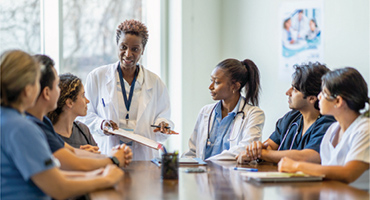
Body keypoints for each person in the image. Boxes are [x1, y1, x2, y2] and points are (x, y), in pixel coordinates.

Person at [0, 50, 123, 199]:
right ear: (27, 90)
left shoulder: (8, 119)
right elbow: (59, 188)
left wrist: (94, 175)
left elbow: (49, 175)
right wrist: (106, 178)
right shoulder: (21, 128)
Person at [80, 19, 176, 160]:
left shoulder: (155, 82)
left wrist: (163, 125)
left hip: (143, 156)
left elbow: (164, 117)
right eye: (123, 47)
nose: (128, 54)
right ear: (117, 46)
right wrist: (101, 124)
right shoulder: (97, 77)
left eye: (135, 49)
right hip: (109, 151)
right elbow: (84, 115)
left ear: (143, 50)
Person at [27, 54, 132, 171]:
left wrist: (107, 157)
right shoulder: (31, 128)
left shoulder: (43, 123)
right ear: (46, 92)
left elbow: (71, 153)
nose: (59, 92)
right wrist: (113, 160)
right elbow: (62, 176)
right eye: (56, 86)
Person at [278, 67, 369, 190]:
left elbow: (348, 174)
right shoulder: (332, 130)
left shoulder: (364, 130)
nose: (319, 97)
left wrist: (297, 166)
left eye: (324, 93)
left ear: (338, 101)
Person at [237, 62, 336, 164]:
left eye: (294, 89)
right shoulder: (291, 117)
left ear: (311, 98)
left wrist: (262, 154)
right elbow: (270, 146)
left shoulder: (328, 123)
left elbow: (310, 156)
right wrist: (256, 149)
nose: (287, 93)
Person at [183, 58, 265, 160]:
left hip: (234, 174)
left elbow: (245, 149)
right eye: (211, 81)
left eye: (216, 82)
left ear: (235, 86)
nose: (210, 87)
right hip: (204, 174)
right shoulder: (205, 112)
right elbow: (193, 151)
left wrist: (206, 163)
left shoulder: (254, 114)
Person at [47, 73, 99, 153]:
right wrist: (83, 156)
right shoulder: (48, 135)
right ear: (70, 103)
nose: (87, 101)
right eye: (82, 95)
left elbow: (99, 159)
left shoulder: (83, 129)